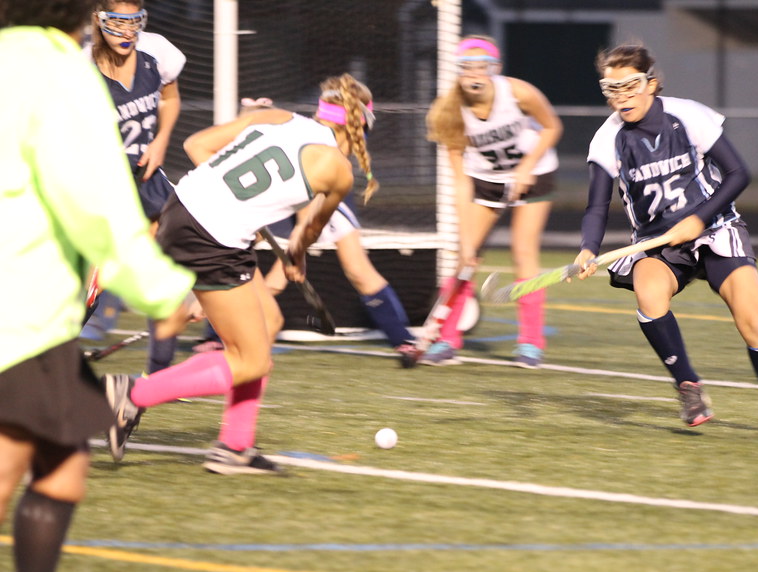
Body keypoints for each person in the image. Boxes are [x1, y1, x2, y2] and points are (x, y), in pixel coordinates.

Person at [0, 1, 195, 572]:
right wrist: (164, 290)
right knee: (12, 468)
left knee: (64, 462)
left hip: (31, 310)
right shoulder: (61, 73)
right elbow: (91, 202)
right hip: (19, 308)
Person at [103, 73, 380, 472]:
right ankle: (133, 393)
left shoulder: (279, 117)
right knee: (250, 361)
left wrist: (235, 203)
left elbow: (196, 146)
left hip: (181, 210)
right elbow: (309, 232)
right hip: (211, 238)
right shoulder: (338, 169)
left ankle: (235, 446)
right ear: (358, 129)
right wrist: (295, 256)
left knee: (268, 321)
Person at [574, 44, 758, 437]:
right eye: (612, 89)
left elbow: (738, 173)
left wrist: (699, 218)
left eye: (630, 85)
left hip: (716, 229)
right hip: (657, 242)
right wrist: (588, 247)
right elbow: (596, 207)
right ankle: (688, 385)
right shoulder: (608, 139)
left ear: (651, 83)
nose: (622, 97)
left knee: (753, 320)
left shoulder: (686, 116)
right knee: (648, 292)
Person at [240, 97, 418, 367]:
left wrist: (295, 254)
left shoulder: (335, 159)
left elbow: (309, 218)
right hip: (289, 188)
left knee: (357, 269)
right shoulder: (315, 142)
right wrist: (295, 256)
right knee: (247, 260)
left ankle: (403, 341)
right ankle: (219, 336)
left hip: (321, 193)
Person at [424, 34, 562, 368]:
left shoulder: (518, 92)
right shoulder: (449, 110)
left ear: (494, 69)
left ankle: (530, 343)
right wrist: (466, 238)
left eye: (481, 67)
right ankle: (447, 338)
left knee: (523, 252)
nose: (474, 74)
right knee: (466, 257)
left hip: (535, 174)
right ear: (457, 72)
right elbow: (459, 179)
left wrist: (527, 167)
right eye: (466, 68)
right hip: (484, 181)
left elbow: (552, 127)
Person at [88, 0, 186, 375]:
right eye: (118, 23)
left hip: (147, 176)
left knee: (165, 269)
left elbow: (170, 98)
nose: (128, 32)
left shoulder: (156, 51)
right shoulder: (81, 68)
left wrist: (161, 140)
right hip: (104, 182)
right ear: (100, 21)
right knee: (91, 280)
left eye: (135, 23)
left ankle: (157, 375)